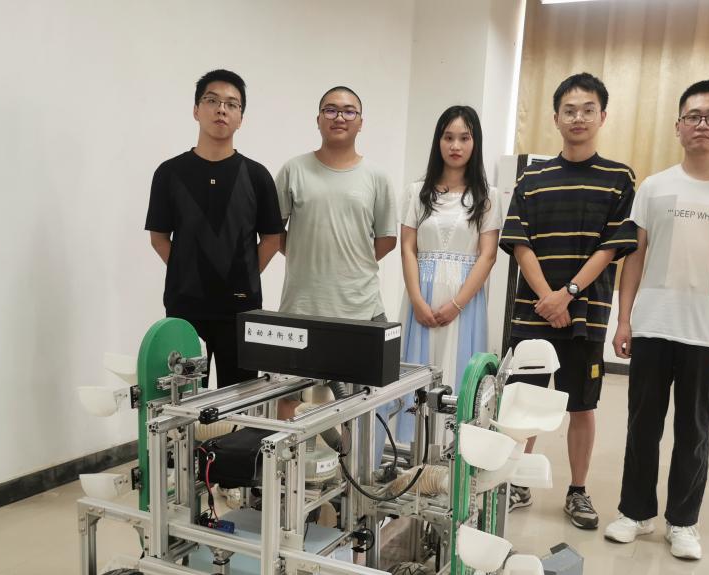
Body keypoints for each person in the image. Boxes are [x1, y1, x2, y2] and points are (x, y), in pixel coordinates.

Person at [605, 80, 709, 560]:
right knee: (642, 426)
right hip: (653, 324)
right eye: (693, 116)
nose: (703, 124)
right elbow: (635, 256)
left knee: (695, 431)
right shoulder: (655, 187)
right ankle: (635, 513)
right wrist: (624, 320)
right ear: (678, 125)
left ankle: (683, 522)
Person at [499, 73, 637, 529]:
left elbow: (611, 247)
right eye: (570, 110)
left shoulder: (618, 178)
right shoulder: (533, 178)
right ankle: (518, 482)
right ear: (556, 118)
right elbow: (520, 243)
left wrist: (568, 295)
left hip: (586, 316)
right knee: (524, 403)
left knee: (582, 405)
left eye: (588, 109)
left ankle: (577, 491)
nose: (579, 117)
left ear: (602, 116)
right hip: (533, 313)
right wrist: (547, 298)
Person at [145, 69, 282, 387]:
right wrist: (187, 272)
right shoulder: (169, 173)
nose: (222, 109)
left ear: (241, 118)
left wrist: (242, 275)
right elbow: (159, 238)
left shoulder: (257, 176)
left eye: (232, 104)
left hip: (241, 309)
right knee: (183, 399)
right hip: (185, 307)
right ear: (196, 110)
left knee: (241, 400)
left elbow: (272, 240)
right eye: (212, 101)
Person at [397, 105, 502, 442]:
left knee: (459, 373)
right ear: (438, 141)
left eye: (464, 138)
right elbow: (408, 248)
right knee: (416, 374)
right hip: (422, 295)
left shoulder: (488, 197)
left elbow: (487, 256)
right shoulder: (417, 192)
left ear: (475, 143)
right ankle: (410, 449)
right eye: (448, 137)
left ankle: (451, 452)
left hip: (464, 300)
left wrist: (457, 303)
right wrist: (416, 300)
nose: (455, 145)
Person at [271, 86, 397, 321]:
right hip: (301, 306)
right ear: (318, 120)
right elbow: (273, 231)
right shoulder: (293, 170)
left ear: (361, 123)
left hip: (363, 308)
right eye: (330, 110)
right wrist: (305, 256)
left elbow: (387, 239)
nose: (339, 118)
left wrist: (351, 263)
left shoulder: (377, 176)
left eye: (349, 112)